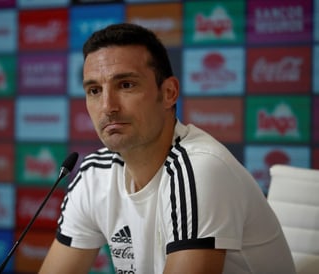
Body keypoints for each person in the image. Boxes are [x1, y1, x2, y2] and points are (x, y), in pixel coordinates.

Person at [39, 23, 296, 274]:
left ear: (170, 92)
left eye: (126, 85)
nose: (107, 106)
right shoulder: (94, 174)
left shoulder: (200, 169)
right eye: (94, 90)